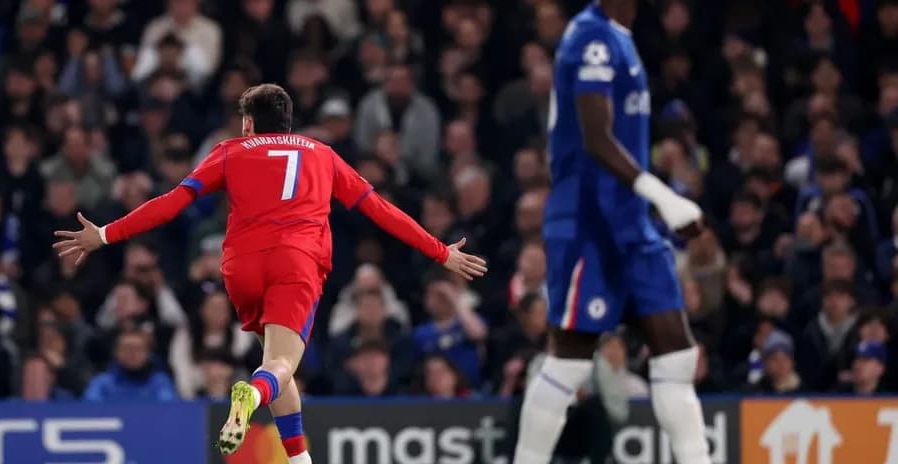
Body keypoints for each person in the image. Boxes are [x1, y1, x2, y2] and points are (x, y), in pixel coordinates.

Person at [52, 83, 487, 462]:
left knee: (276, 364)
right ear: (289, 123)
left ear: (248, 125)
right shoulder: (324, 155)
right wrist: (440, 251)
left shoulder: (229, 152)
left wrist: (106, 234)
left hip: (241, 268)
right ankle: (250, 395)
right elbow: (381, 211)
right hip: (295, 263)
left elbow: (173, 201)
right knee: (277, 367)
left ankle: (299, 459)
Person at [513, 1, 710, 463]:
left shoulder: (620, 36)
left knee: (676, 356)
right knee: (569, 361)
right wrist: (667, 197)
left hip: (630, 221)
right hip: (588, 222)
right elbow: (596, 138)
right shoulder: (591, 37)